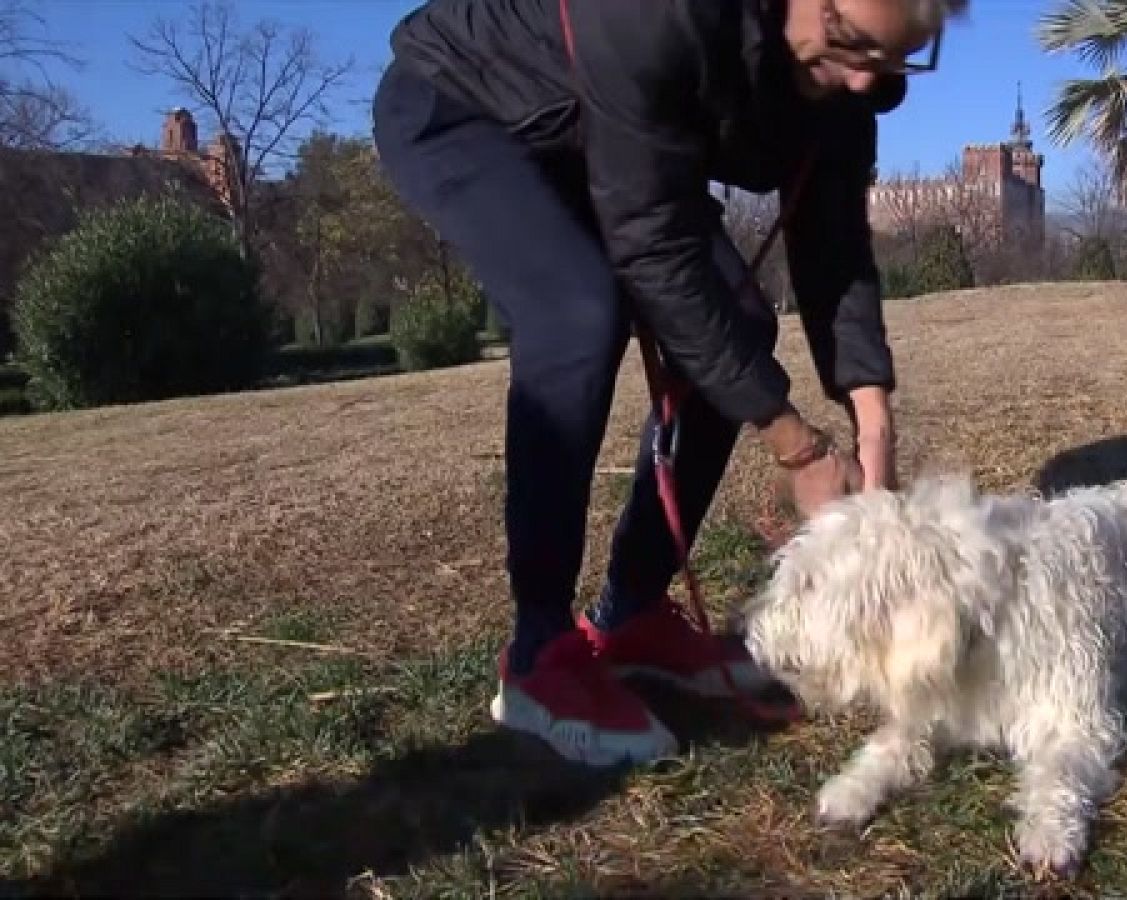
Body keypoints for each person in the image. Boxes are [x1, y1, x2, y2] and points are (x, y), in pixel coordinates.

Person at [370, 0, 966, 768]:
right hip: (465, 104)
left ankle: (632, 613)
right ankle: (539, 653)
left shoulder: (854, 84)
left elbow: (836, 249)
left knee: (739, 326)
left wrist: (875, 433)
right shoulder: (658, 12)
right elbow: (655, 250)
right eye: (850, 43)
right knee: (576, 313)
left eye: (890, 59)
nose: (862, 80)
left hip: (602, 133)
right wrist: (799, 447)